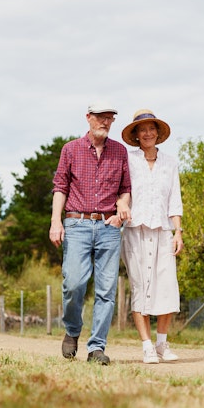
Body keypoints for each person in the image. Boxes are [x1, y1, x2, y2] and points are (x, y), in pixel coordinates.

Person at [49, 101, 132, 365]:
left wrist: (122, 209)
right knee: (73, 283)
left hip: (108, 227)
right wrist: (55, 221)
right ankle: (72, 330)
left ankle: (97, 348)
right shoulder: (70, 150)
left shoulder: (120, 152)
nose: (105, 122)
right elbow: (60, 186)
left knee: (107, 290)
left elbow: (125, 188)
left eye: (109, 118)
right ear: (88, 118)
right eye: (100, 117)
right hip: (77, 224)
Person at [120, 109, 184, 364]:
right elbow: (118, 189)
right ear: (136, 135)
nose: (147, 133)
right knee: (140, 286)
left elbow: (175, 200)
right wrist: (120, 204)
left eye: (151, 129)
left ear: (157, 133)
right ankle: (146, 346)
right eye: (142, 130)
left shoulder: (170, 163)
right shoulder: (128, 160)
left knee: (167, 286)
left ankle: (161, 344)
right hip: (135, 230)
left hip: (163, 230)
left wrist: (178, 231)